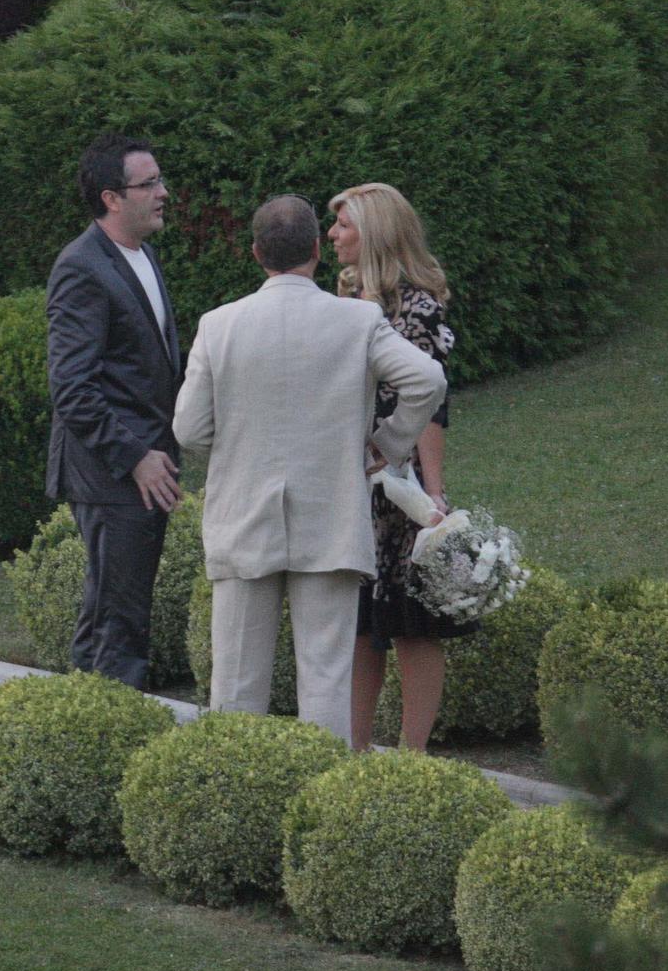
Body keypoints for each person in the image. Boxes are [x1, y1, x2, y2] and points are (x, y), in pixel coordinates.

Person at [173, 194, 446, 744]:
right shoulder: (357, 320)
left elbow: (188, 429)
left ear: (256, 253)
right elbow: (428, 380)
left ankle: (240, 786)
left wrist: (238, 451)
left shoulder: (219, 324)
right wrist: (388, 444)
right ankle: (323, 793)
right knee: (326, 680)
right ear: (317, 250)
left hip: (242, 516)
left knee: (235, 688)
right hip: (330, 518)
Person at [328, 182, 476, 752]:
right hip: (350, 484)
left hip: (399, 486)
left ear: (375, 233)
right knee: (359, 627)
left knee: (413, 626)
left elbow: (433, 404)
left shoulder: (418, 306)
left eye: (343, 224)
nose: (332, 235)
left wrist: (432, 498)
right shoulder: (343, 298)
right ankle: (355, 753)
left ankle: (411, 759)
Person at [46, 132, 182, 690]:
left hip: (142, 467)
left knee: (109, 616)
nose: (163, 192)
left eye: (159, 180)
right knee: (119, 628)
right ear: (111, 198)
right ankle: (114, 727)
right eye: (149, 184)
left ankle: (82, 721)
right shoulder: (81, 267)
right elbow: (72, 387)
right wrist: (136, 458)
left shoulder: (142, 254)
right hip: (112, 474)